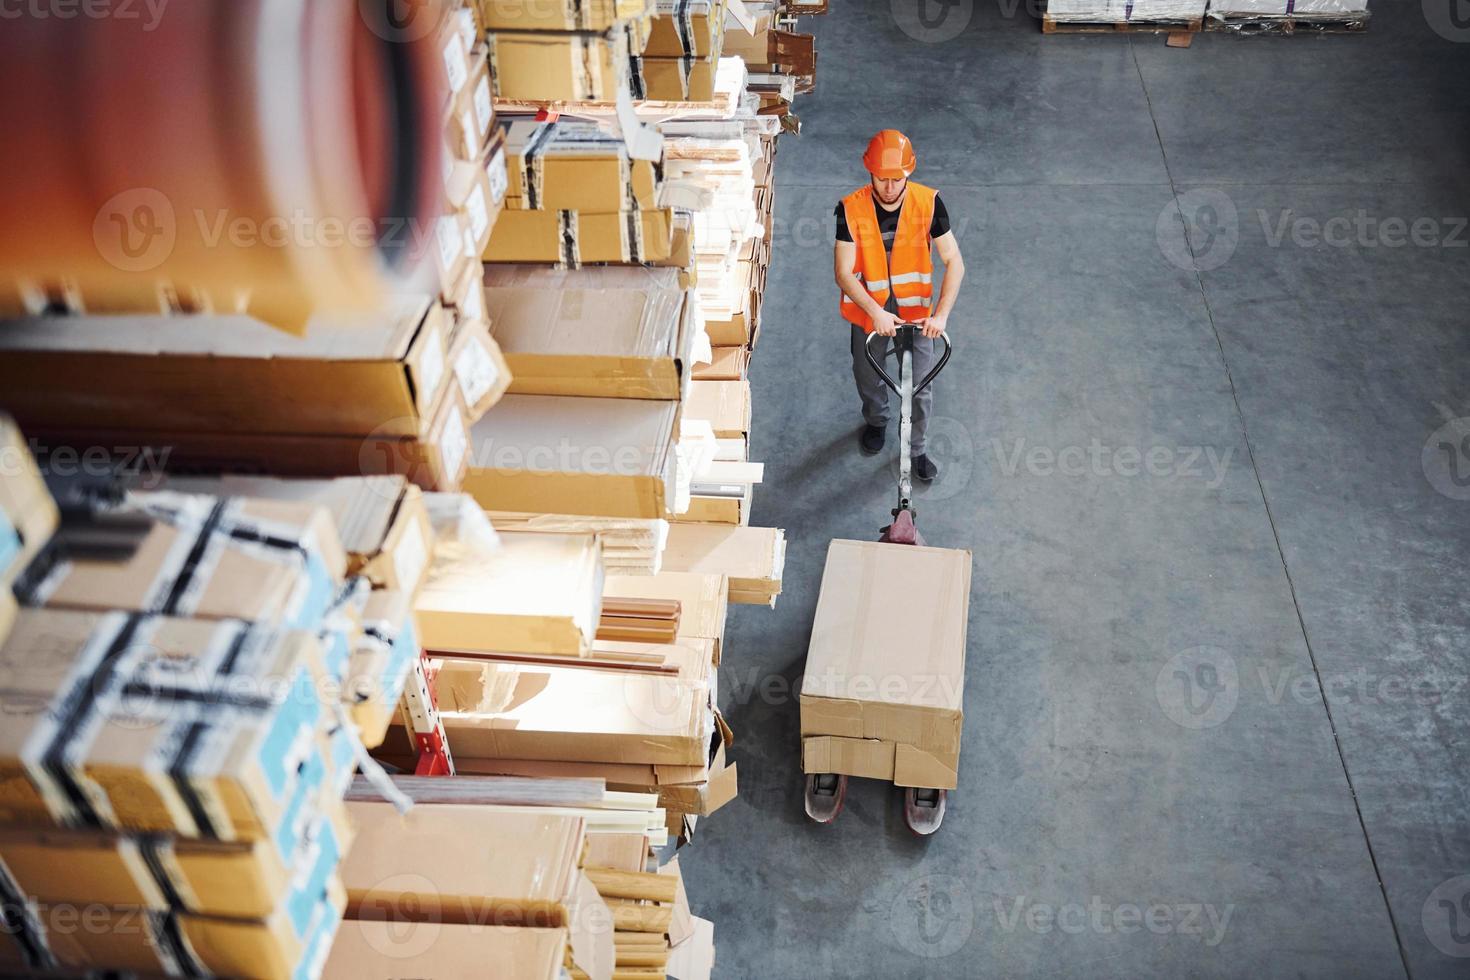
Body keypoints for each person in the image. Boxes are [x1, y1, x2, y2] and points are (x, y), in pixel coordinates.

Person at [833, 129, 964, 482]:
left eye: (897, 179)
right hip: (869, 309)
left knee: (920, 384)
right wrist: (875, 312)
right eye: (882, 178)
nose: (889, 187)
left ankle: (917, 448)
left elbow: (954, 261)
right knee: (866, 372)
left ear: (909, 172)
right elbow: (844, 272)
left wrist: (941, 314)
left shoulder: (929, 203)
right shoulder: (849, 209)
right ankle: (876, 420)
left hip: (915, 311)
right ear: (868, 171)